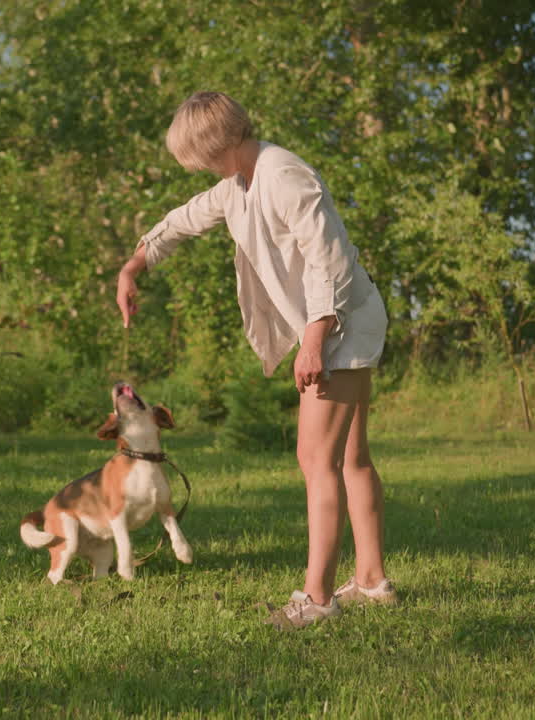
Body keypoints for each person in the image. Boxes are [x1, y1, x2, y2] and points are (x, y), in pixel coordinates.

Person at [115, 91, 396, 629]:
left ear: (213, 144)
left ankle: (317, 600)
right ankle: (371, 582)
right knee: (350, 457)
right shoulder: (238, 185)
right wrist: (133, 267)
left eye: (195, 156)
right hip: (344, 321)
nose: (195, 167)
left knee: (316, 459)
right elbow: (183, 220)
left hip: (341, 323)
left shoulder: (283, 175)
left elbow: (330, 260)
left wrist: (313, 339)